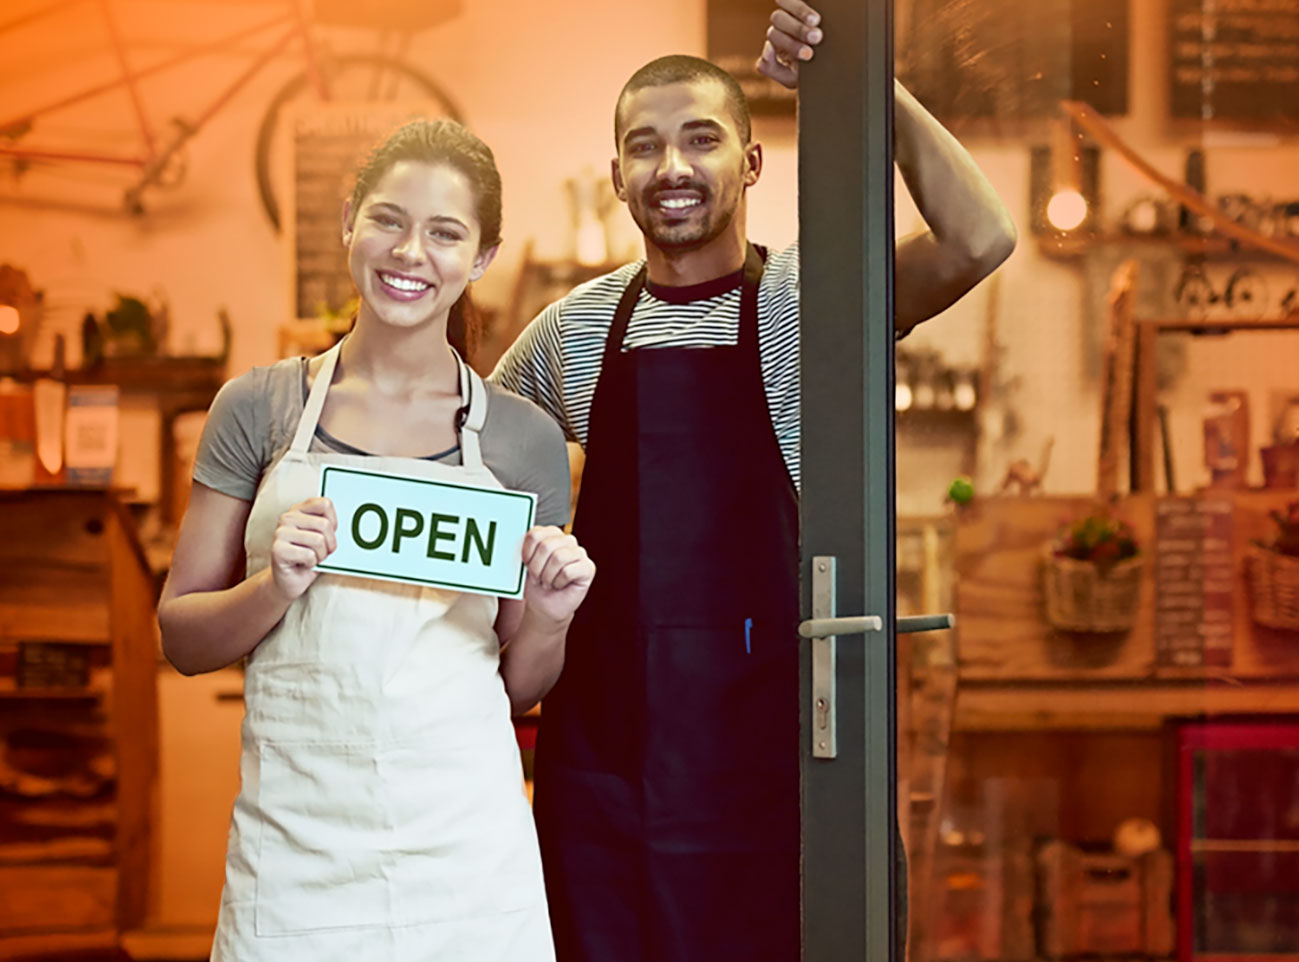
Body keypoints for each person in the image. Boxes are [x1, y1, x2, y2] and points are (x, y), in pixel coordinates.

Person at [487, 1, 1017, 958]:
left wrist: (860, 86)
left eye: (702, 140)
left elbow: (980, 238)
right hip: (608, 784)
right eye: (644, 147)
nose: (673, 168)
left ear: (751, 162)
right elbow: (465, 454)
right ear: (617, 177)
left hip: (779, 767)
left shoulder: (812, 300)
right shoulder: (571, 331)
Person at [159, 119, 594, 962]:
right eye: (389, 219)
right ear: (348, 222)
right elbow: (179, 637)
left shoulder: (522, 440)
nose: (410, 252)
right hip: (295, 857)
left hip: (468, 860)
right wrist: (272, 588)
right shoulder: (258, 411)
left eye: (445, 232)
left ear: (481, 258)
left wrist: (548, 614)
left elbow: (520, 687)